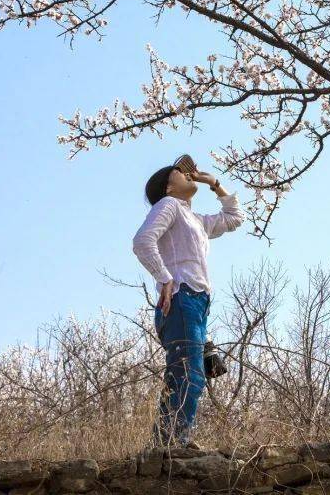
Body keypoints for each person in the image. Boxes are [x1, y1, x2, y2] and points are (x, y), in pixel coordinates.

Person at [132, 161, 243, 449]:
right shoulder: (168, 204)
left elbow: (233, 218)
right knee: (189, 375)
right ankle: (169, 444)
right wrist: (164, 278)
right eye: (181, 173)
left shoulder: (195, 219)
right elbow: (143, 241)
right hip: (180, 297)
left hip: (197, 303)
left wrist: (214, 183)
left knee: (190, 374)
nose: (188, 174)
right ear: (168, 187)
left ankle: (170, 442)